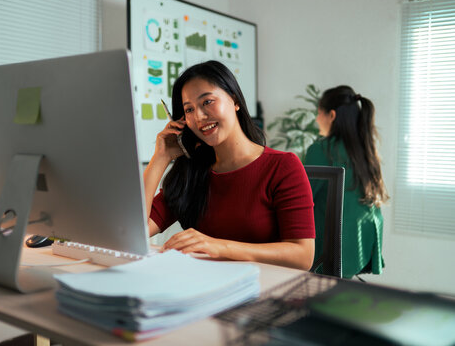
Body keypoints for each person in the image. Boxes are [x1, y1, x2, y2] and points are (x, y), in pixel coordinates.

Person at [143, 60, 315, 270]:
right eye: (189, 109)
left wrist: (219, 247)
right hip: (204, 289)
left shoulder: (283, 166)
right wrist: (160, 157)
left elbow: (303, 256)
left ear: (234, 100)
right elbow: (133, 231)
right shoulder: (190, 174)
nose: (198, 116)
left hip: (263, 291)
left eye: (207, 102)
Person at [304, 85, 388, 278]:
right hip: (361, 245)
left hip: (334, 249)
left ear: (331, 115)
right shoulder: (366, 149)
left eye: (319, 113)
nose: (317, 119)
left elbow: (305, 198)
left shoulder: (321, 149)